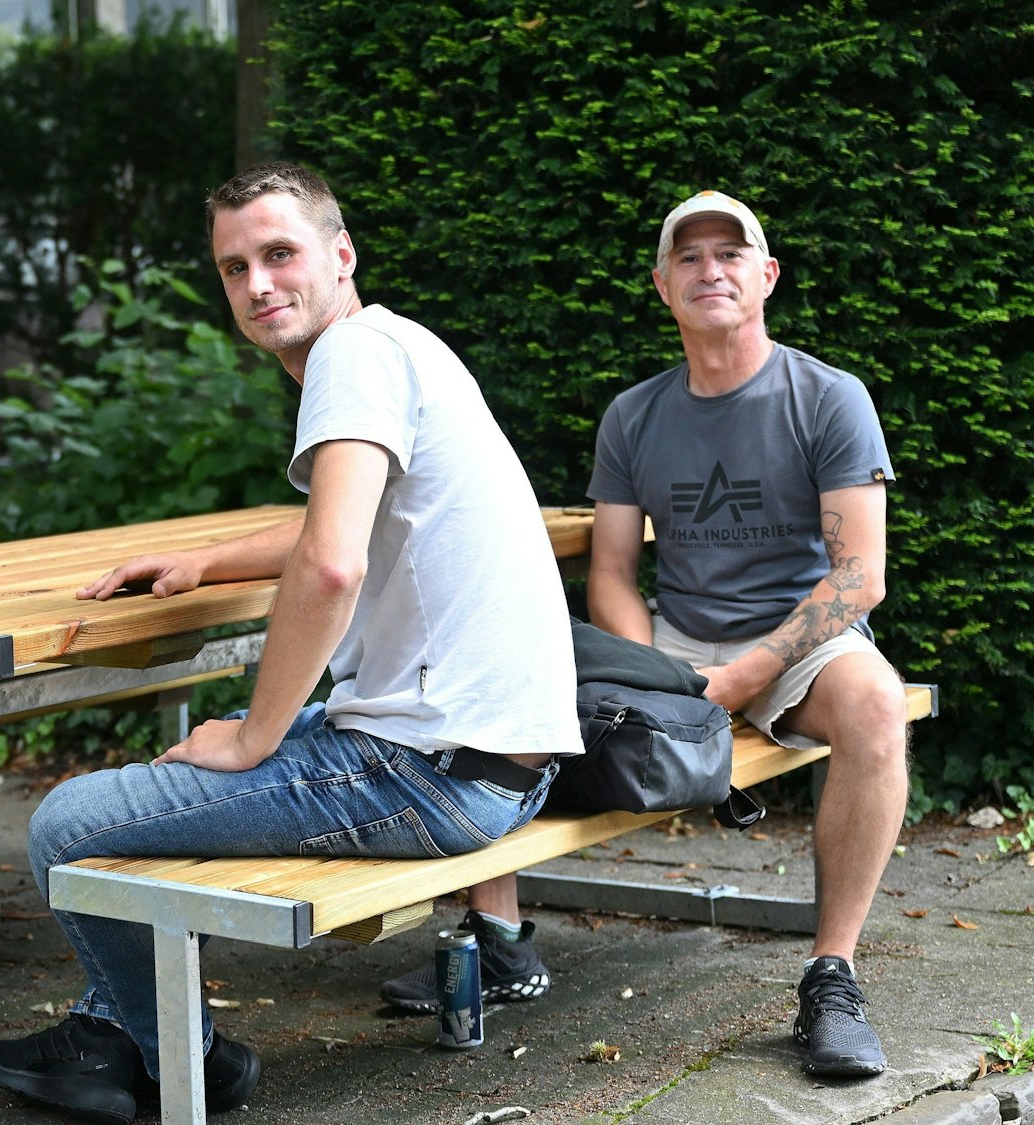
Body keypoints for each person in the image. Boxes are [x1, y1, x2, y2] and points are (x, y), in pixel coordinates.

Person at [0, 162, 580, 1124]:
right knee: (169, 778)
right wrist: (206, 561)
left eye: (280, 253)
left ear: (341, 256)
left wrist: (258, 734)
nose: (258, 284)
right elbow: (338, 532)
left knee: (67, 827)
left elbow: (331, 567)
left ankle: (188, 1061)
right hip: (508, 759)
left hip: (431, 773)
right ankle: (112, 1029)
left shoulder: (352, 358)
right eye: (235, 265)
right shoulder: (399, 343)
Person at [380, 190, 906, 1079]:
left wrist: (740, 678)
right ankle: (499, 940)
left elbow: (859, 576)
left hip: (795, 643)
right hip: (672, 638)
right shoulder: (633, 414)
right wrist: (656, 671)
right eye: (689, 258)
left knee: (878, 703)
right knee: (497, 670)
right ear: (663, 286)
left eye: (731, 254)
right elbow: (614, 574)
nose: (711, 270)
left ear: (766, 275)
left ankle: (831, 977)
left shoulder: (828, 396)